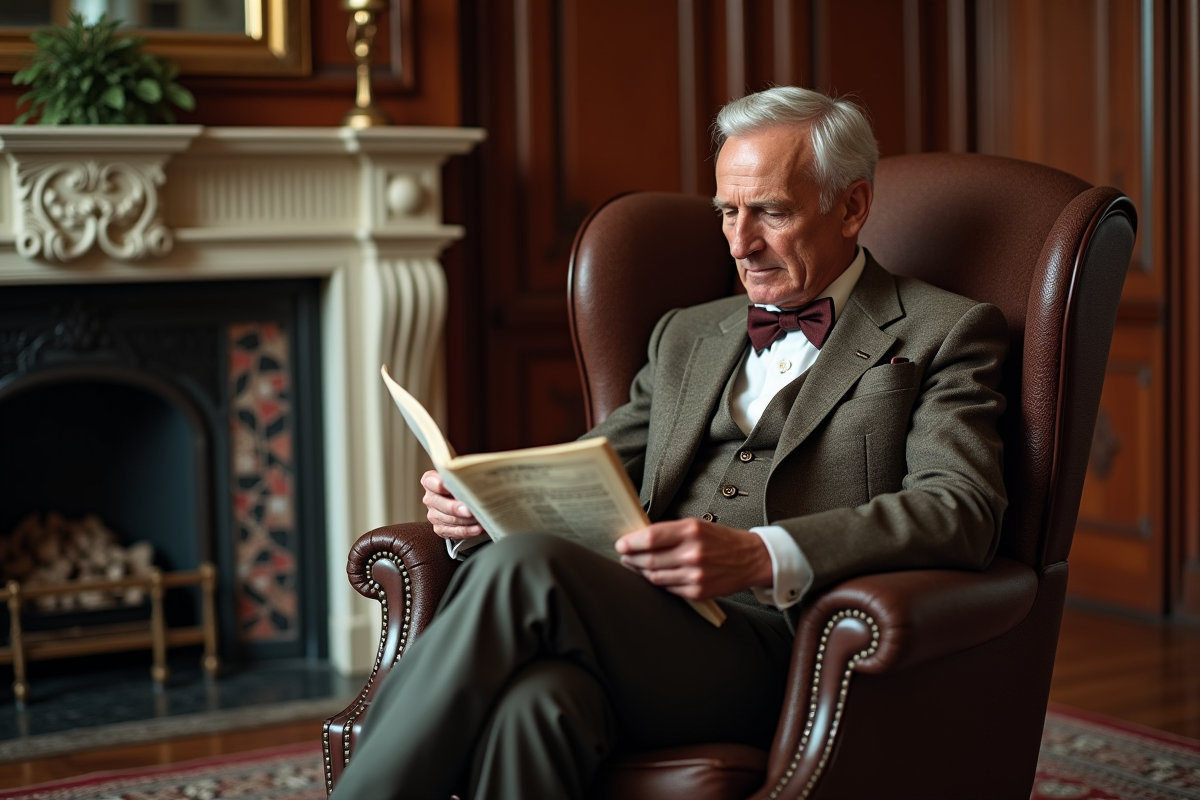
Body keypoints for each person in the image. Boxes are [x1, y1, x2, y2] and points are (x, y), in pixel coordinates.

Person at [329, 86, 1008, 800]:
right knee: (542, 704)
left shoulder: (945, 332)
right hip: (641, 630)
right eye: (727, 211)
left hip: (795, 647)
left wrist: (761, 554)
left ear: (852, 207)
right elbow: (583, 470)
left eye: (771, 212)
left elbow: (961, 510)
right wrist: (481, 511)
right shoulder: (686, 333)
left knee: (527, 569)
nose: (741, 242)